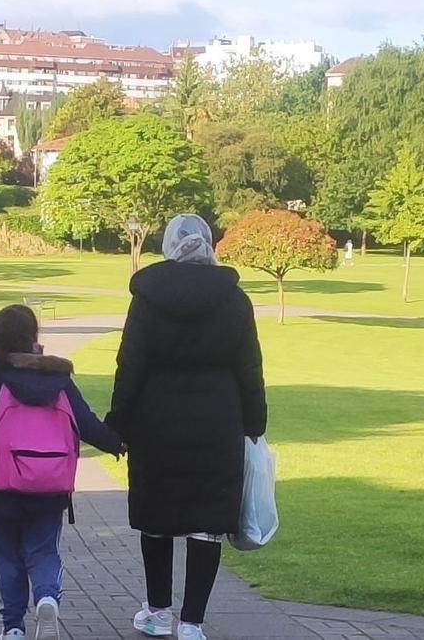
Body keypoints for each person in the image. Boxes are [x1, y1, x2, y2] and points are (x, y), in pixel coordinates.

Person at [106, 215, 267, 640]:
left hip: (156, 421)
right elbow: (250, 366)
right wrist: (255, 421)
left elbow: (131, 364)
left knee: (156, 518)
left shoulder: (147, 297)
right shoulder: (235, 301)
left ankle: (158, 611)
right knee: (207, 522)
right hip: (217, 420)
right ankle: (192, 622)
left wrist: (118, 420)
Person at [0, 305, 125, 640]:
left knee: (8, 559)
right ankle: (46, 597)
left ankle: (13, 628)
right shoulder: (58, 380)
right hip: (50, 486)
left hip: (0, 490)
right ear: (33, 337)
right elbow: (85, 423)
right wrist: (117, 444)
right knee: (43, 551)